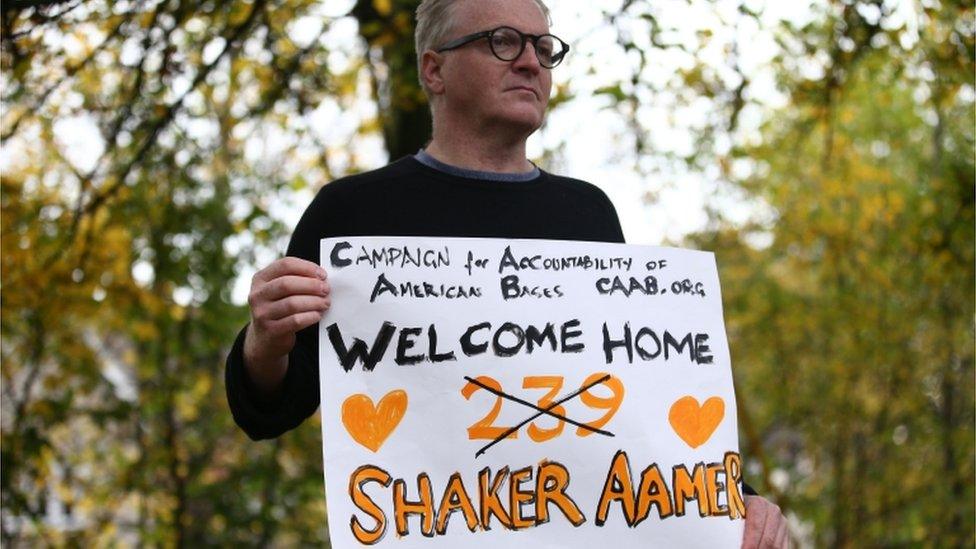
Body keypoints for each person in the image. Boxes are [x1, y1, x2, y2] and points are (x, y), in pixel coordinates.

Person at [224, 0, 789, 546]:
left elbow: (635, 399)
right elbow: (269, 410)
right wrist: (265, 339)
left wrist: (736, 499)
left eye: (544, 48)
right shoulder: (352, 215)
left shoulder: (587, 212)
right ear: (434, 68)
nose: (529, 62)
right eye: (502, 41)